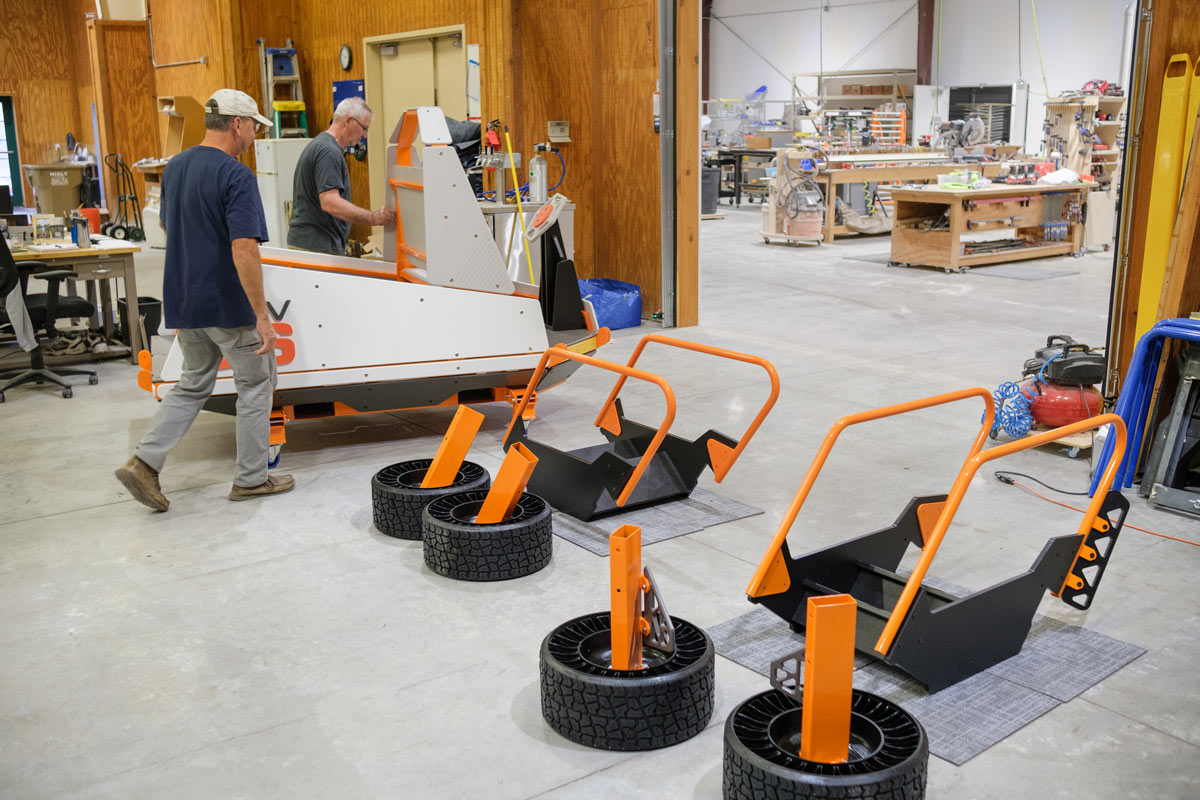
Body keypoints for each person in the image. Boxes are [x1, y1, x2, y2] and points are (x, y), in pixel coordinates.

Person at [115, 89, 294, 511]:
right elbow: (244, 248)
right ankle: (251, 479)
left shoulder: (175, 167)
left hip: (185, 299)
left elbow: (165, 224)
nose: (254, 135)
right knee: (256, 384)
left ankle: (144, 462)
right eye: (254, 127)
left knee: (194, 382)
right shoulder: (236, 175)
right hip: (227, 304)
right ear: (237, 124)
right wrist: (261, 316)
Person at [287, 97, 395, 255]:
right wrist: (374, 218)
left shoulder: (322, 144)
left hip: (312, 244)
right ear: (349, 121)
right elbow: (329, 202)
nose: (364, 135)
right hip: (316, 248)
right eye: (364, 128)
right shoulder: (328, 151)